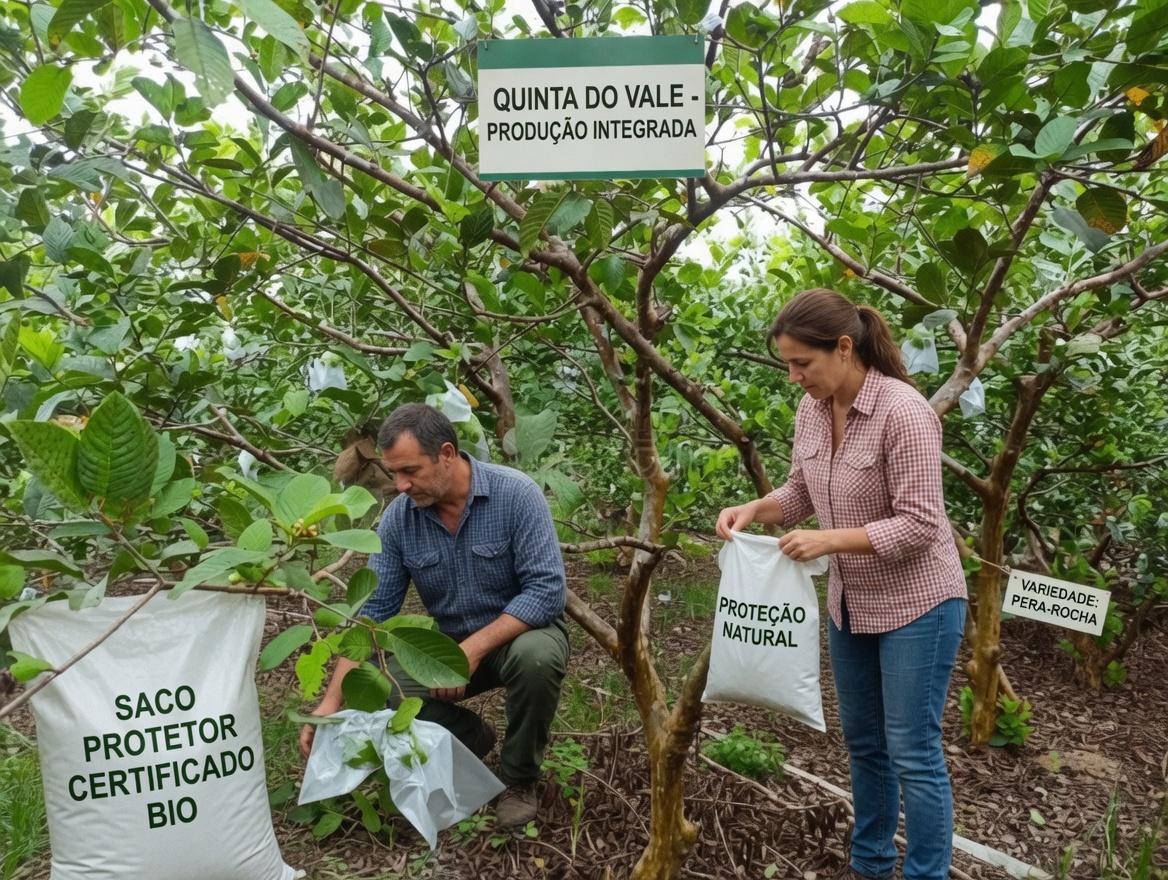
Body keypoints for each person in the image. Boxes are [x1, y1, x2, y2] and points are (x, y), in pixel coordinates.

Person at [716, 289, 968, 880]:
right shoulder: (812, 408)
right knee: (864, 743)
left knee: (913, 750)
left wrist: (828, 540)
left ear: (845, 348)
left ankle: (925, 873)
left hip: (918, 603)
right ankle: (872, 864)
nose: (794, 376)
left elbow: (921, 523)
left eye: (803, 362)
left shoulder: (904, 412)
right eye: (787, 363)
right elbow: (803, 491)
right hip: (850, 604)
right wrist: (755, 507)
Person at [300, 403, 570, 828]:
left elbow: (547, 591)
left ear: (446, 454)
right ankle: (471, 738)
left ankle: (519, 780)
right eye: (394, 474)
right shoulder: (398, 521)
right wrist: (331, 704)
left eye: (411, 470)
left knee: (536, 658)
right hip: (447, 650)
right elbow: (372, 616)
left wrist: (471, 651)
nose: (401, 485)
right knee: (377, 688)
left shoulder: (515, 494)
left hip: (518, 635)